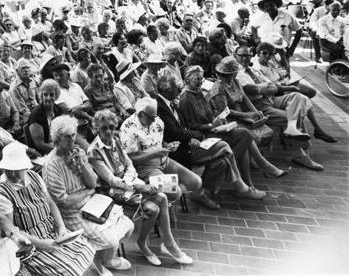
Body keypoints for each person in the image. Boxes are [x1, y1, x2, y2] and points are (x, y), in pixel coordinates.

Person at [86, 110, 190, 266]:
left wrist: (134, 179)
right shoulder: (94, 151)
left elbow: (129, 164)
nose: (108, 131)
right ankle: (147, 244)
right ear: (96, 129)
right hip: (110, 193)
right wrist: (140, 186)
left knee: (161, 197)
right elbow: (112, 180)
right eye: (103, 128)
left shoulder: (115, 140)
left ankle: (165, 244)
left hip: (129, 184)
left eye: (111, 127)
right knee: (155, 206)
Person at [42, 115, 134, 274]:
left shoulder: (79, 153)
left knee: (129, 226)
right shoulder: (52, 165)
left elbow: (93, 183)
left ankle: (103, 258)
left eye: (73, 135)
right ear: (57, 138)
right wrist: (88, 192)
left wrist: (82, 164)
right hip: (72, 214)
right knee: (111, 240)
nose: (72, 140)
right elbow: (63, 202)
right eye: (67, 137)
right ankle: (100, 261)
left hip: (92, 204)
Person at [156, 76, 266, 207]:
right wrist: (198, 135)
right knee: (224, 146)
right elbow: (175, 133)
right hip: (179, 150)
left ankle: (201, 193)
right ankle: (241, 187)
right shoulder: (160, 106)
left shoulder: (170, 102)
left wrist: (193, 136)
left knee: (223, 159)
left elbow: (182, 128)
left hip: (189, 142)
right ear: (167, 91)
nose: (179, 89)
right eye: (176, 88)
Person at [0, 142, 95, 275]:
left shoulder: (34, 177)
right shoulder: (0, 195)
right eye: (9, 170)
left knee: (87, 250)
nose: (13, 174)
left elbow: (51, 204)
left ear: (25, 167)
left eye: (18, 169)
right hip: (29, 243)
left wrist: (61, 228)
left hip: (51, 231)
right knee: (70, 271)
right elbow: (10, 231)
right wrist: (41, 243)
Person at [119, 98, 203, 204]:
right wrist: (154, 154)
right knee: (176, 192)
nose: (154, 120)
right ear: (141, 114)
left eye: (155, 116)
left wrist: (168, 145)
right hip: (145, 168)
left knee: (195, 182)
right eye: (151, 117)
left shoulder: (156, 120)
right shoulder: (128, 128)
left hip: (163, 160)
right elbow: (131, 160)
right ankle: (163, 199)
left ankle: (165, 199)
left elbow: (157, 137)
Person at [27, 79, 67, 154]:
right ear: (41, 95)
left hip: (57, 145)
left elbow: (63, 131)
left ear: (56, 95)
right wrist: (62, 150)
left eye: (51, 95)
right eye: (45, 94)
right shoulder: (36, 114)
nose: (48, 98)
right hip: (43, 153)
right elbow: (40, 145)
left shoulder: (58, 109)